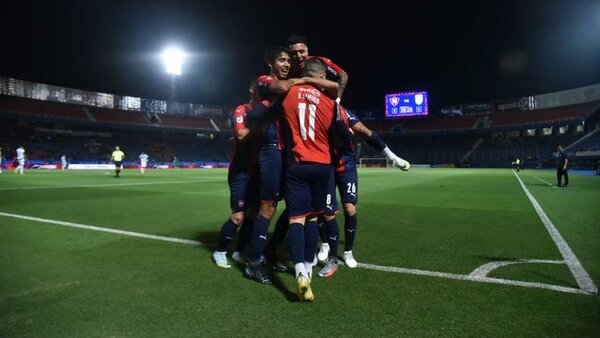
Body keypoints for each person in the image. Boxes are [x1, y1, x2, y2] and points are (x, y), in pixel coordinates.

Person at [280, 58, 350, 302]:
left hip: (297, 164)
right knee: (312, 218)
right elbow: (344, 135)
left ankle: (300, 271)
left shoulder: (289, 93)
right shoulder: (331, 103)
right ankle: (309, 267)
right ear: (322, 77)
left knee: (296, 220)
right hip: (322, 166)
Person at [317, 106, 410, 278]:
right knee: (326, 211)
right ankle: (325, 244)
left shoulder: (344, 114)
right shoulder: (319, 115)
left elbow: (367, 133)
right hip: (326, 165)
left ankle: (348, 252)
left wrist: (391, 156)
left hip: (347, 166)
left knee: (350, 208)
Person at [212, 79, 262, 269]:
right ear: (251, 89)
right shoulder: (243, 109)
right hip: (241, 171)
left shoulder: (266, 111)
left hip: (258, 173)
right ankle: (220, 251)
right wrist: (261, 126)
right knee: (238, 215)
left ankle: (239, 251)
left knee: (253, 213)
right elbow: (241, 135)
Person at [286, 34, 348, 102]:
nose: (298, 56)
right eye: (294, 53)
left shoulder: (319, 62)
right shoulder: (285, 67)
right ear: (289, 54)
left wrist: (337, 100)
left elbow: (343, 75)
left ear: (307, 51)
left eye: (301, 52)